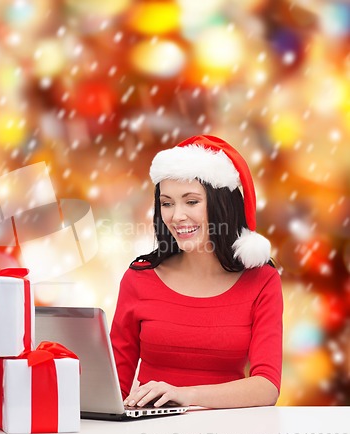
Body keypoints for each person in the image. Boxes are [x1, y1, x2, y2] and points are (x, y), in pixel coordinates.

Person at [110, 134, 283, 409]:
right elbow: (112, 387)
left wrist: (184, 396)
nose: (177, 216)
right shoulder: (138, 279)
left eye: (191, 201)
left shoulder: (262, 281)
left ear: (222, 205)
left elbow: (266, 386)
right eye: (167, 203)